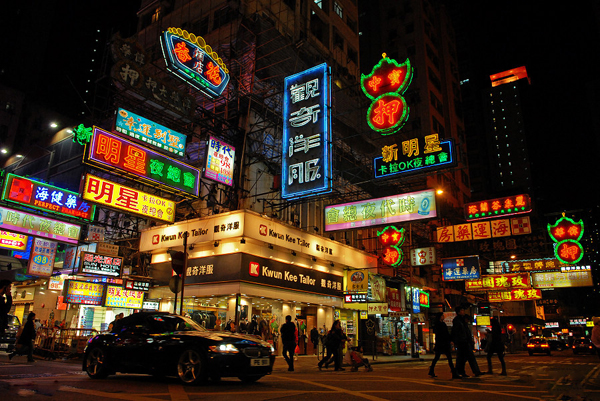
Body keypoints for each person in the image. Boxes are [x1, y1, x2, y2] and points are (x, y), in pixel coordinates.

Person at [451, 306, 483, 378]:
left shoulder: (462, 320)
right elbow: (456, 332)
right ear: (459, 312)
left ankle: (460, 371)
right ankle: (472, 371)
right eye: (462, 310)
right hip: (462, 342)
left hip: (465, 341)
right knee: (467, 357)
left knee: (463, 358)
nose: (463, 311)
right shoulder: (457, 320)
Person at [429, 312, 460, 379]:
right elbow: (444, 334)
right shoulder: (440, 324)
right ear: (440, 317)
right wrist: (449, 340)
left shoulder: (439, 324)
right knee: (448, 358)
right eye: (442, 316)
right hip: (443, 344)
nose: (443, 317)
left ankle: (431, 370)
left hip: (441, 344)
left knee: (438, 358)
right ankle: (454, 373)